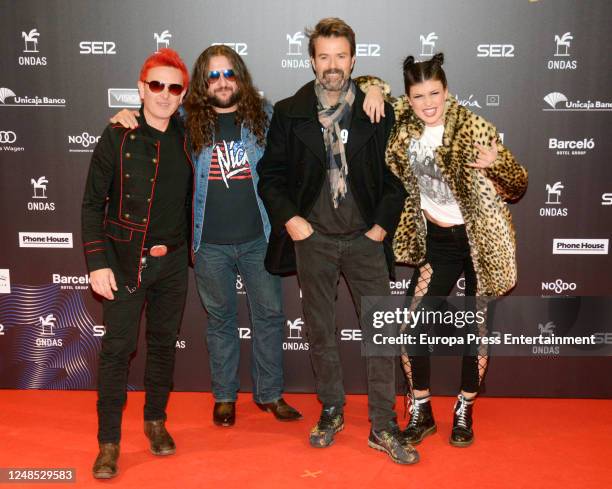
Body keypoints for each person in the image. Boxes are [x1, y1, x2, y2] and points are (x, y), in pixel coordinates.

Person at [111, 45, 302, 427]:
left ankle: (269, 394)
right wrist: (125, 116)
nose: (222, 82)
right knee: (220, 321)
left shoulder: (265, 116)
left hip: (258, 239)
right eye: (213, 75)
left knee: (269, 316)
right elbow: (151, 118)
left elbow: (313, 106)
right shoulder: (184, 119)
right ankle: (225, 396)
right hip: (208, 243)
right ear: (202, 82)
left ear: (240, 78)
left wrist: (374, 86)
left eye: (229, 74)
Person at [257, 18, 417, 465]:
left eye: (340, 56)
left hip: (367, 239)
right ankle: (331, 409)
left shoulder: (376, 108)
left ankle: (383, 424)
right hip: (315, 240)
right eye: (324, 56)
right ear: (312, 60)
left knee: (381, 335)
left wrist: (381, 226)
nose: (332, 65)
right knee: (321, 330)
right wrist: (291, 220)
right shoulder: (290, 112)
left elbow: (396, 177)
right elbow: (269, 177)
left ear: (353, 60)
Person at [360, 53, 528, 447]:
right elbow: (366, 85)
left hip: (479, 241)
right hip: (438, 243)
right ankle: (422, 409)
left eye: (435, 92)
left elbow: (518, 184)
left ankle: (465, 407)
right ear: (408, 98)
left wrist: (498, 161)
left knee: (476, 328)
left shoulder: (473, 127)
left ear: (447, 91)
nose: (428, 103)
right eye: (419, 96)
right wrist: (371, 86)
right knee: (410, 328)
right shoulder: (401, 119)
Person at [82, 48, 193, 479]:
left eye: (174, 87)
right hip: (126, 262)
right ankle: (108, 443)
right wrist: (97, 261)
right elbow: (93, 204)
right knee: (116, 352)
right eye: (157, 85)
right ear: (141, 89)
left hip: (174, 263)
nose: (165, 95)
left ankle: (155, 422)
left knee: (164, 346)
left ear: (183, 95)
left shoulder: (190, 136)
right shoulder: (118, 135)